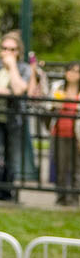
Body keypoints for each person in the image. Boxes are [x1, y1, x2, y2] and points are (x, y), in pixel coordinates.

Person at [0, 30, 41, 200]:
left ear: (19, 52)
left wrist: (12, 67)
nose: (8, 53)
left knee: (11, 157)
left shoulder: (24, 68)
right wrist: (8, 92)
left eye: (13, 50)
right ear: (0, 50)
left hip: (14, 119)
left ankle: (7, 191)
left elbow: (20, 89)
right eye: (5, 48)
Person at [50, 61, 80, 207]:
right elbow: (48, 106)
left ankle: (75, 198)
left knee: (76, 167)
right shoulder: (58, 87)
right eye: (70, 70)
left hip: (76, 134)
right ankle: (61, 196)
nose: (73, 74)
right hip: (60, 132)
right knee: (61, 166)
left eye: (77, 71)